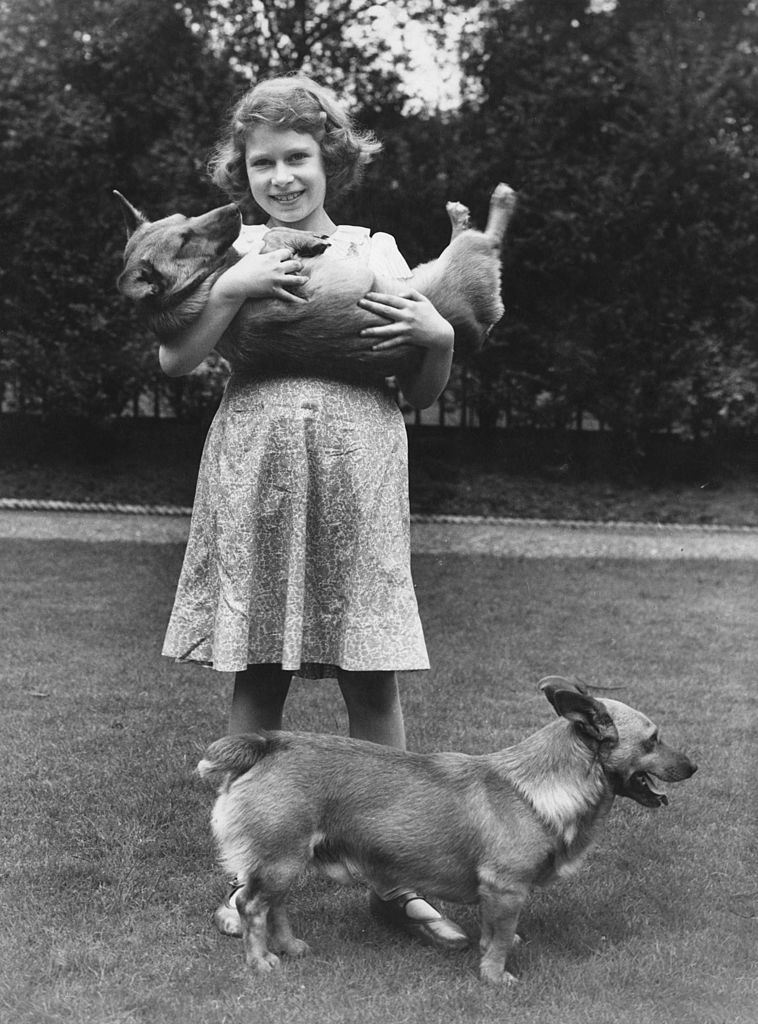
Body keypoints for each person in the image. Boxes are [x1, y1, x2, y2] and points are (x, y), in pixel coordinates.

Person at [160, 74, 468, 951]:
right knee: (261, 668)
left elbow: (417, 389)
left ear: (330, 160)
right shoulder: (224, 251)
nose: (283, 176)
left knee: (373, 672)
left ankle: (397, 879)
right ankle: (245, 880)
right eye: (264, 162)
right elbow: (175, 359)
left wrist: (438, 341)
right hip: (257, 463)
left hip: (360, 463)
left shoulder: (378, 251)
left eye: (299, 157)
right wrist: (229, 289)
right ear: (242, 170)